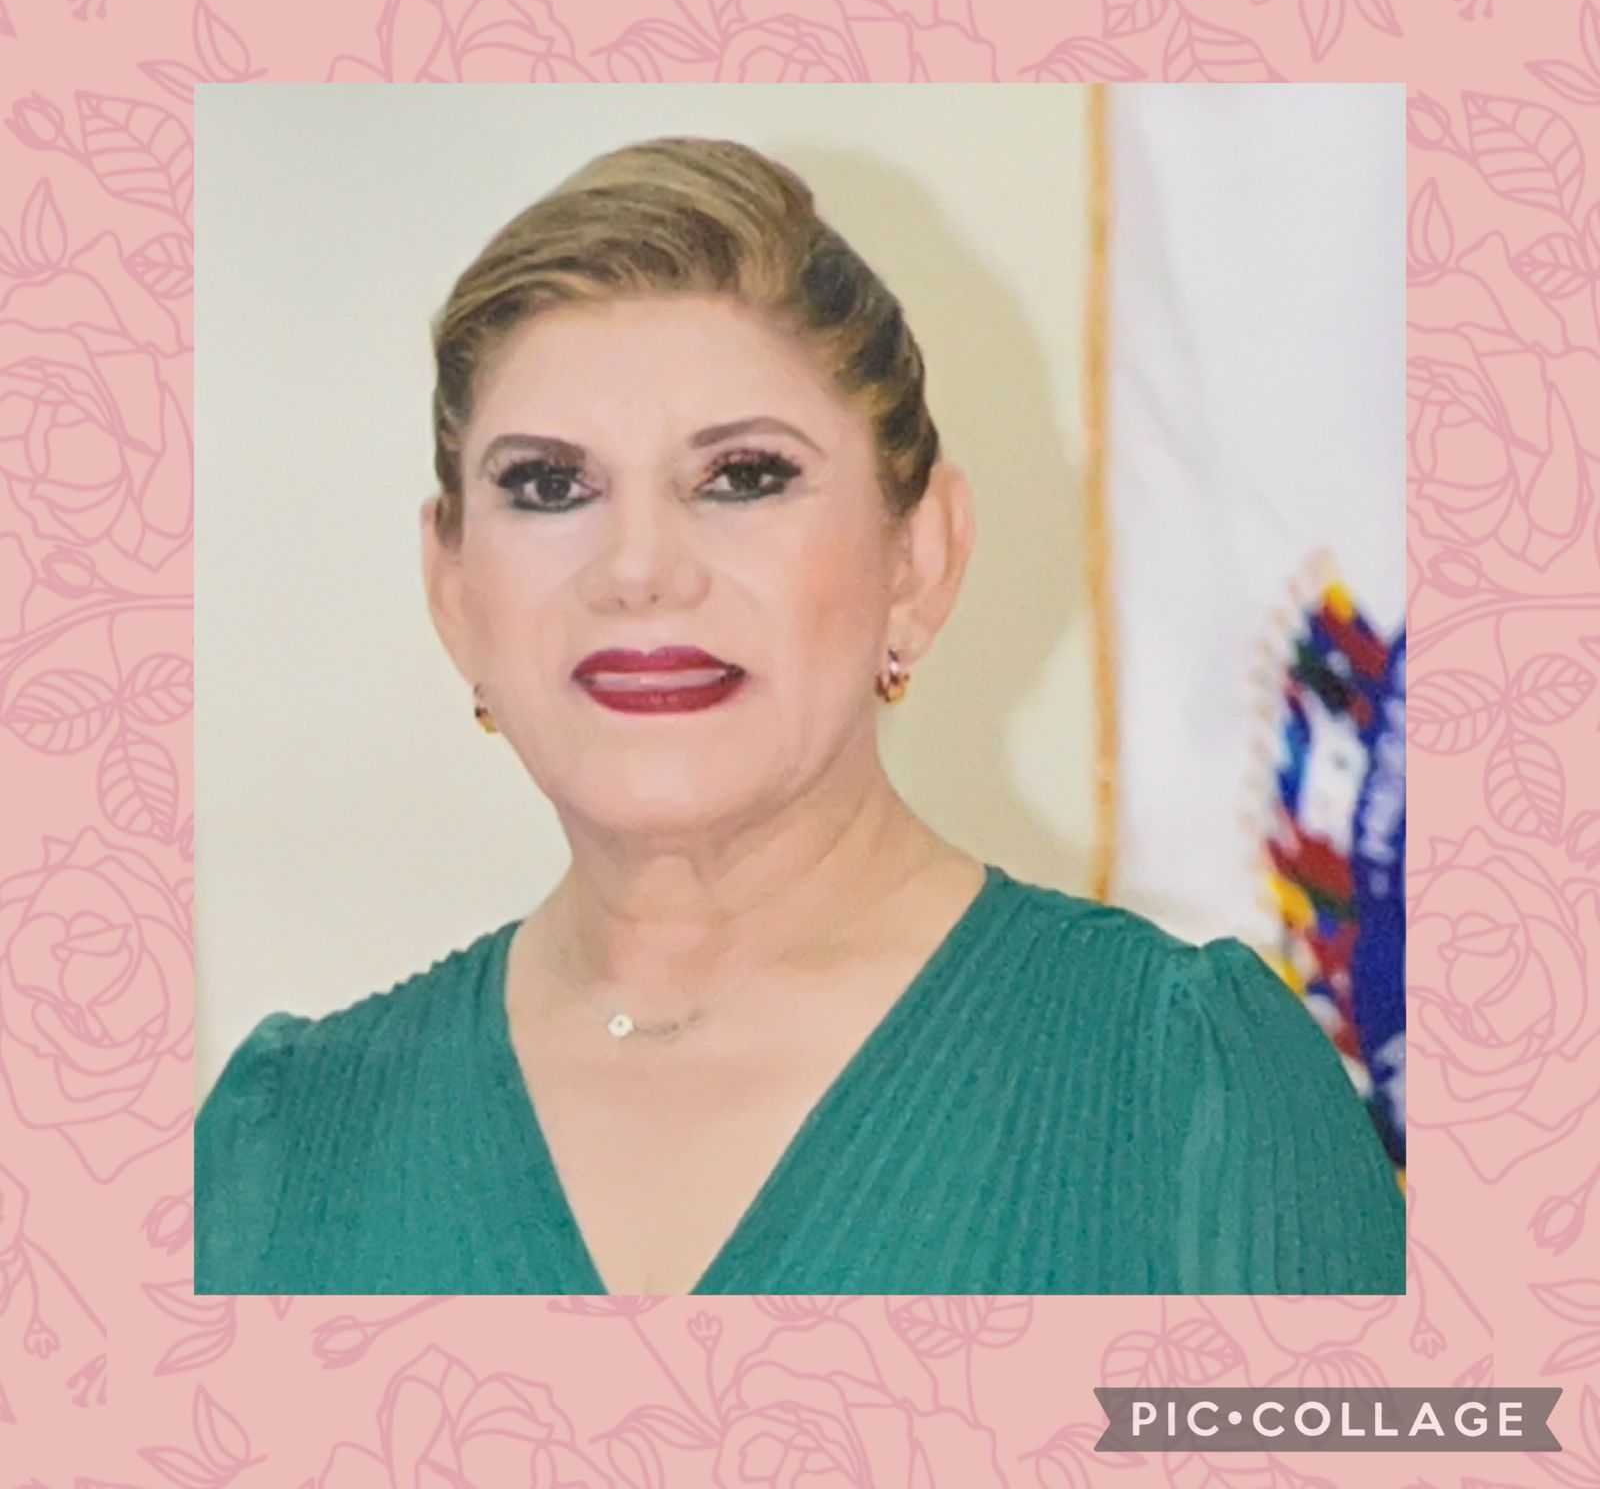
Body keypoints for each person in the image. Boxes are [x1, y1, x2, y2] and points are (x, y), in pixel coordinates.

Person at [194, 136, 1404, 1295]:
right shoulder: (280, 1144)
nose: (637, 569)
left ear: (919, 557)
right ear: (454, 589)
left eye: (742, 477)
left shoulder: (1187, 1086)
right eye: (549, 486)